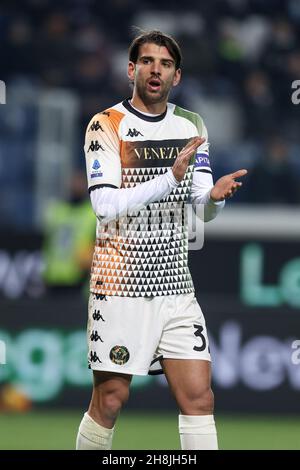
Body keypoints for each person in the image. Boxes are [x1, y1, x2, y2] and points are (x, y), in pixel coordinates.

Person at [76, 30, 247, 451]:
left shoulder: (191, 123)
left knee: (199, 398)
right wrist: (168, 177)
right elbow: (105, 206)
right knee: (111, 399)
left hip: (174, 287)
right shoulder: (106, 124)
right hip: (120, 284)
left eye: (166, 64)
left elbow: (200, 206)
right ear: (131, 69)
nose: (156, 70)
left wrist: (215, 198)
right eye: (148, 62)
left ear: (178, 75)